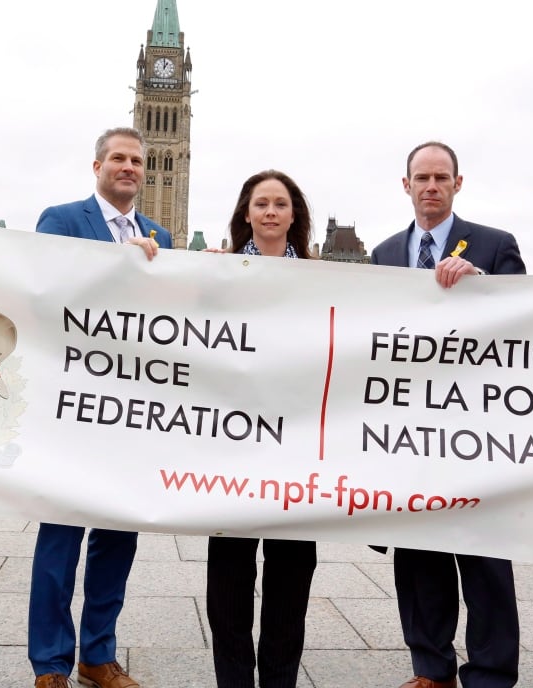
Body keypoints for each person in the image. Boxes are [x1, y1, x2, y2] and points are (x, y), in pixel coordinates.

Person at [370, 141, 525, 688]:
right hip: (409, 433)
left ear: (458, 183)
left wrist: (483, 281)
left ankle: (489, 671)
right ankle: (431, 668)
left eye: (441, 177)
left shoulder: (494, 244)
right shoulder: (384, 254)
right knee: (419, 559)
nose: (430, 185)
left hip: (475, 430)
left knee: (484, 561)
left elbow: (526, 323)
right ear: (406, 185)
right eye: (421, 177)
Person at [29, 126, 171, 688]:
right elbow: (41, 292)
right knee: (59, 544)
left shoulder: (159, 233)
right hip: (71, 411)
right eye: (119, 158)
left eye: (137, 160)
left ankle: (98, 655)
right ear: (98, 166)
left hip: (131, 420)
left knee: (116, 542)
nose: (130, 167)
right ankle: (50, 664)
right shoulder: (61, 220)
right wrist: (117, 265)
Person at [206, 170, 318, 688]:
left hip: (299, 456)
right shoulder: (217, 272)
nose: (270, 212)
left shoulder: (325, 279)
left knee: (290, 584)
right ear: (246, 214)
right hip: (231, 454)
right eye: (261, 204)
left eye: (280, 203)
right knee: (228, 582)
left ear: (293, 213)